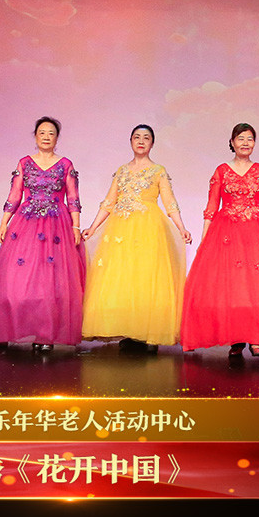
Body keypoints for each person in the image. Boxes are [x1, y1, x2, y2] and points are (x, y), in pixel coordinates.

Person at [181, 123, 259, 357]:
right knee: (233, 289)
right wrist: (204, 241)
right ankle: (236, 339)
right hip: (227, 235)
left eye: (250, 139)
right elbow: (211, 208)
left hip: (258, 234)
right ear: (232, 142)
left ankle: (256, 339)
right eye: (241, 138)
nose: (245, 143)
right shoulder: (221, 171)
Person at [81, 125, 193, 350]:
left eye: (146, 138)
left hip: (148, 228)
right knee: (123, 277)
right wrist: (93, 227)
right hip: (120, 229)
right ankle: (129, 331)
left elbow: (169, 202)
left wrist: (181, 227)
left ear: (152, 143)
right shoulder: (122, 171)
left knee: (145, 277)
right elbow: (109, 202)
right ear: (131, 141)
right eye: (137, 137)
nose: (141, 141)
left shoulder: (158, 171)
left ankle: (148, 333)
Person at [0, 117, 85, 351]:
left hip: (57, 225)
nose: (46, 137)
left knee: (52, 281)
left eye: (51, 133)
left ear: (57, 138)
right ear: (35, 136)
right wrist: (3, 223)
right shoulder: (24, 163)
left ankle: (46, 335)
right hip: (26, 223)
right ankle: (21, 328)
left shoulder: (65, 164)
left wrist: (76, 227)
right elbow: (15, 194)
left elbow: (73, 198)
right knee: (22, 279)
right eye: (42, 132)